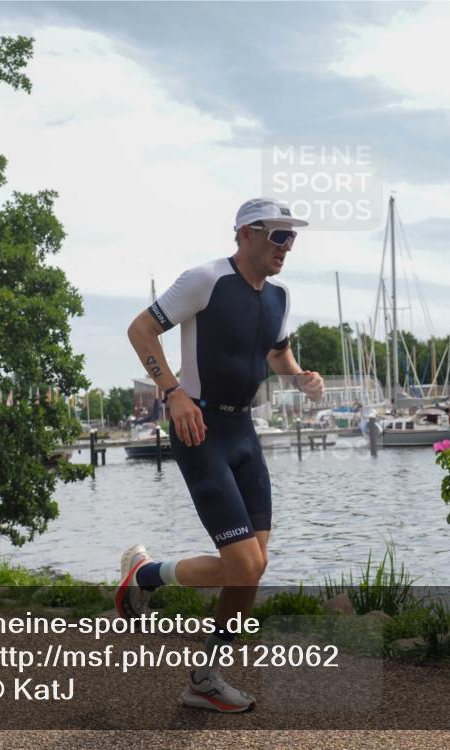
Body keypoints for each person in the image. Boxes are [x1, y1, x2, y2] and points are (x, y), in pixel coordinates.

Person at [120, 198, 325, 712]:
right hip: (200, 429)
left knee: (254, 568)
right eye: (279, 236)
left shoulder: (279, 295)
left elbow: (276, 352)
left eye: (292, 237)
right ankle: (142, 576)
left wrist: (299, 376)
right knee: (242, 564)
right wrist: (173, 393)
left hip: (244, 431)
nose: (288, 246)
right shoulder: (206, 279)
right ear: (246, 235)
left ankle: (203, 679)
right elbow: (140, 329)